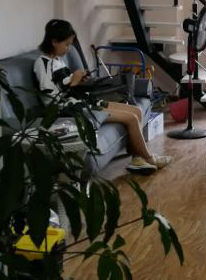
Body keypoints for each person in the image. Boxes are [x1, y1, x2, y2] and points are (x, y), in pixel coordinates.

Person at [33, 19, 171, 174]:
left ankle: (137, 159)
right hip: (69, 108)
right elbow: (51, 98)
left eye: (70, 44)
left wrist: (78, 80)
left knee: (136, 110)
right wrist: (73, 82)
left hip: (81, 99)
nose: (68, 48)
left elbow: (63, 84)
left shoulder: (58, 61)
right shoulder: (42, 63)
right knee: (132, 118)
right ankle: (149, 158)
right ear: (53, 41)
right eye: (66, 44)